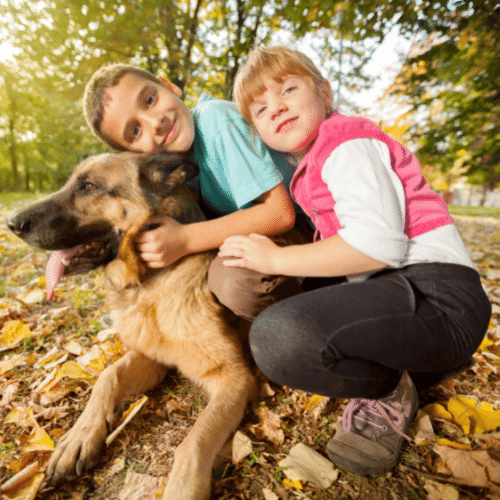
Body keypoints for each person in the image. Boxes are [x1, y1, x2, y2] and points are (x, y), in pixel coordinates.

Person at [219, 46, 491, 475]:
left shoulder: (345, 142)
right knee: (296, 300)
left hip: (439, 298)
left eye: (289, 88)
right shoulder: (312, 164)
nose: (278, 107)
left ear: (325, 93)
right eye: (260, 108)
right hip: (404, 293)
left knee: (278, 337)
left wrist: (275, 258)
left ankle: (387, 392)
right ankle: (423, 364)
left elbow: (379, 245)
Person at [83, 63, 309, 321]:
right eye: (135, 131)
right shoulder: (178, 169)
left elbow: (280, 214)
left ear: (169, 87)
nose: (155, 122)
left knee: (232, 281)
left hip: (309, 225)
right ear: (131, 155)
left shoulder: (215, 119)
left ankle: (307, 313)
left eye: (150, 99)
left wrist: (184, 239)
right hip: (268, 235)